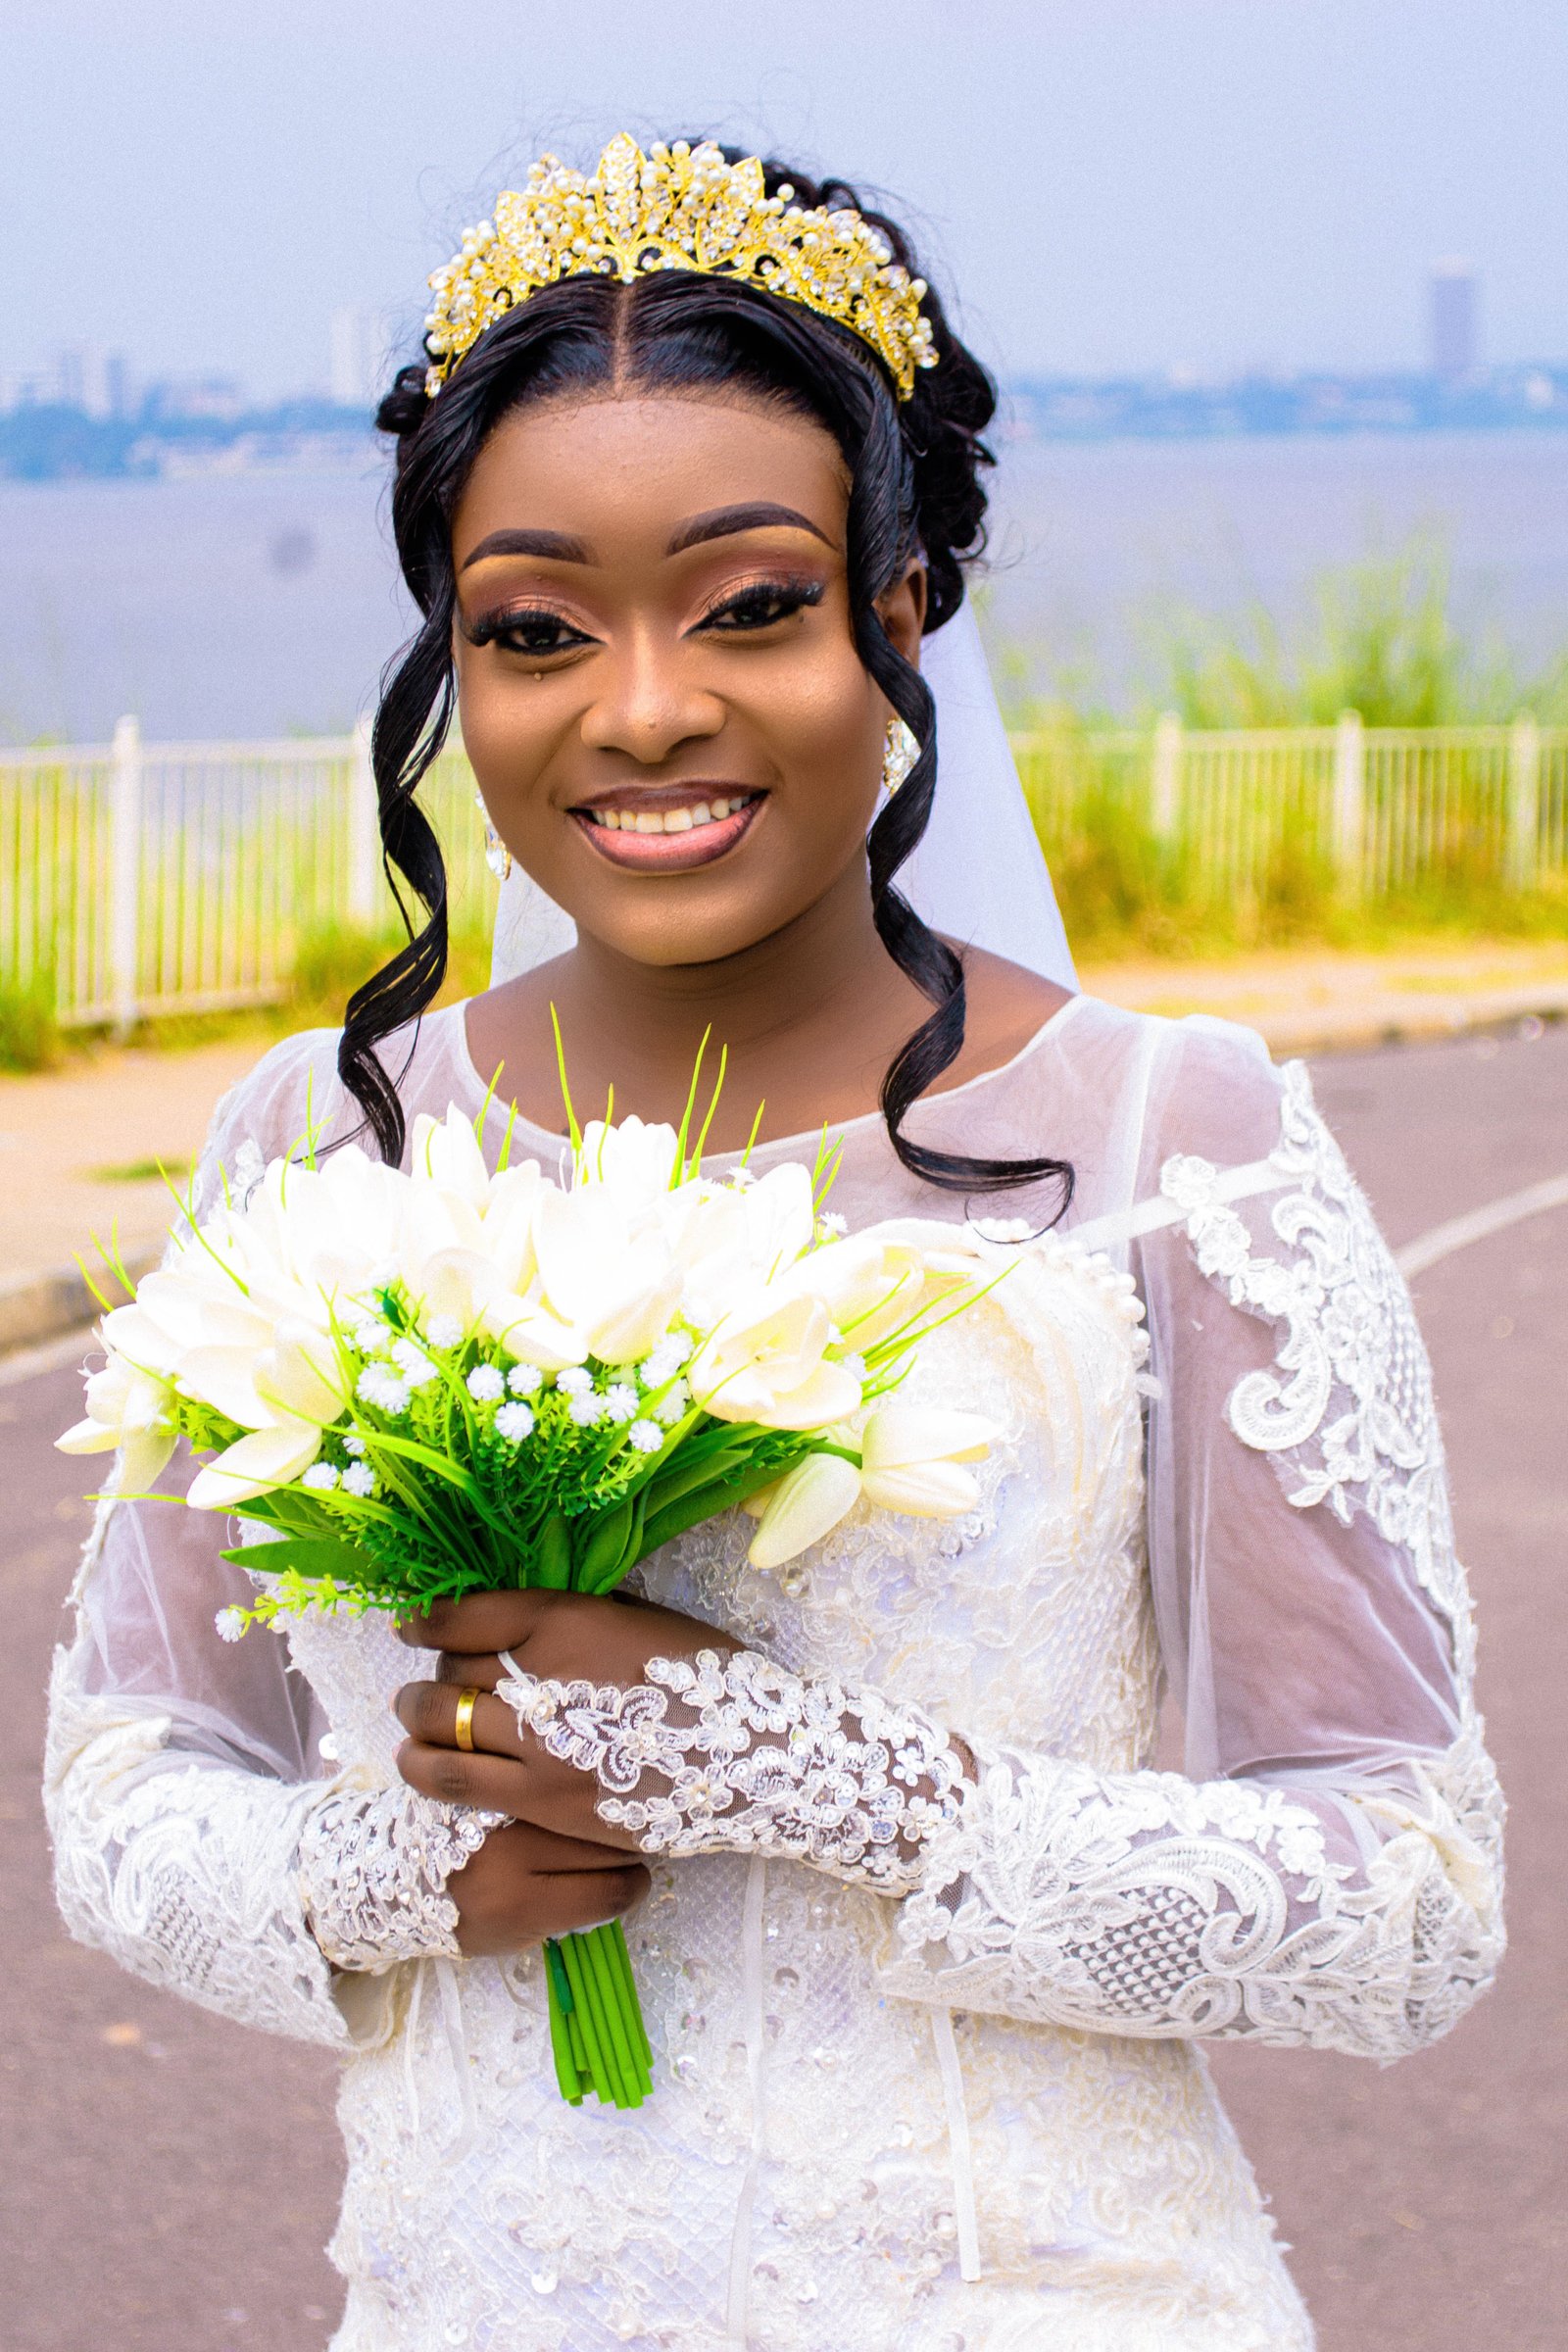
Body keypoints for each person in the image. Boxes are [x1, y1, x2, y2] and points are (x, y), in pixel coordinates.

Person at [45, 137, 1502, 2352]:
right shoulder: (315, 1149)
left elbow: (1404, 1897)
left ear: (898, 611)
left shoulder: (1163, 1142)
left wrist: (817, 1780)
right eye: (536, 630)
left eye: (748, 605)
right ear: (455, 655)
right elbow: (132, 1786)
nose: (641, 709)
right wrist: (383, 1874)